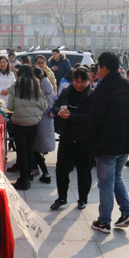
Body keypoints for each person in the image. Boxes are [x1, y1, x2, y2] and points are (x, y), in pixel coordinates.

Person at [87, 52, 129, 233]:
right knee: (116, 177)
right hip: (125, 143)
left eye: (98, 68)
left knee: (106, 184)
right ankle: (127, 212)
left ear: (103, 68)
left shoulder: (104, 89)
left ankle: (104, 221)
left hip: (107, 144)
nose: (98, 72)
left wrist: (90, 140)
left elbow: (95, 120)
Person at [51, 68, 94, 210]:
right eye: (76, 81)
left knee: (84, 171)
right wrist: (59, 112)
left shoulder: (93, 95)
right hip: (67, 137)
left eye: (83, 82)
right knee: (61, 169)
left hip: (84, 140)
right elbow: (55, 106)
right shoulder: (67, 91)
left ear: (89, 81)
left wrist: (72, 116)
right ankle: (62, 197)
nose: (79, 84)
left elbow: (92, 117)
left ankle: (83, 198)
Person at [7, 65, 47, 190]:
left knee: (22, 152)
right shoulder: (37, 86)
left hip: (19, 124)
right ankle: (28, 176)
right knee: (30, 151)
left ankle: (23, 180)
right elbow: (44, 106)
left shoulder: (15, 87)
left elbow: (10, 107)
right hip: (34, 124)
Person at [32, 66, 56, 183]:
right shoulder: (48, 86)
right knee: (35, 148)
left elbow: (43, 107)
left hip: (40, 122)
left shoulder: (40, 89)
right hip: (46, 122)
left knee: (33, 148)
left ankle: (45, 174)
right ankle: (37, 170)